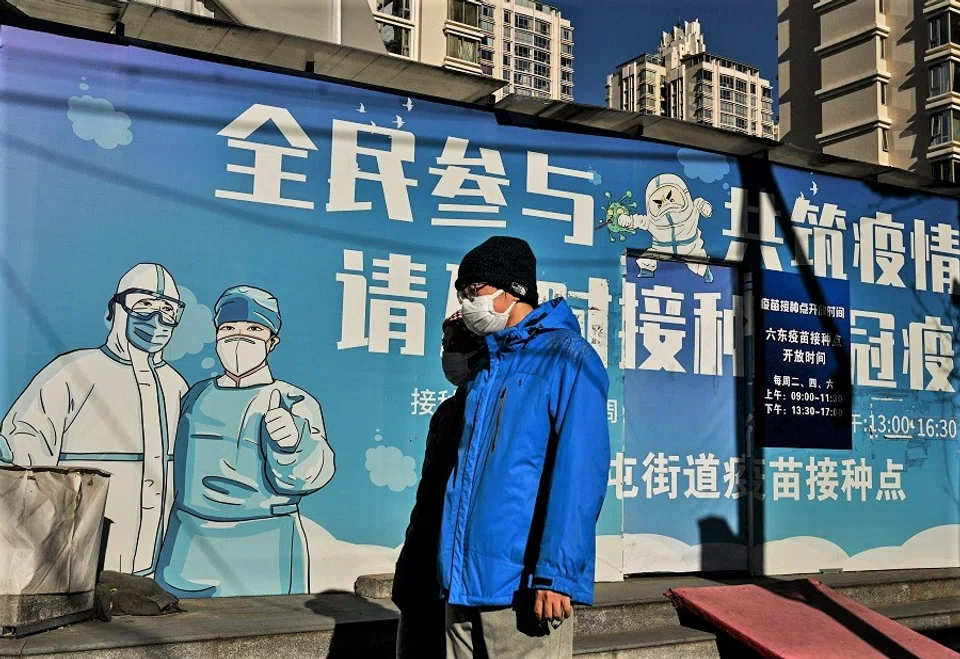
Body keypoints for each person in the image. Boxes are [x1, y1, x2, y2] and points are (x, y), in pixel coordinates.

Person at [439, 236, 610, 658]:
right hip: (463, 584)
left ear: (512, 291)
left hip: (521, 586)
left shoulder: (568, 356)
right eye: (461, 291)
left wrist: (556, 576)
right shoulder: (487, 367)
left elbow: (579, 473)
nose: (465, 302)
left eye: (473, 290)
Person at [0, 263, 188, 575]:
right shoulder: (71, 373)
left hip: (151, 565)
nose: (156, 319)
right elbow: (22, 452)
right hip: (73, 563)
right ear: (114, 311)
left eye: (168, 309)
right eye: (143, 304)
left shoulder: (175, 384)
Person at [154, 285, 335, 597]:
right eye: (229, 328)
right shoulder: (195, 396)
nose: (239, 338)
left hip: (265, 541)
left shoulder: (293, 400)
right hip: (189, 545)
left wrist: (293, 445)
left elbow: (312, 473)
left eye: (253, 328)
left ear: (272, 341)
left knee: (266, 638)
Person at [393, 312, 486, 659]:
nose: (447, 354)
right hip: (422, 563)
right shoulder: (447, 412)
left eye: (456, 345)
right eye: (445, 345)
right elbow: (429, 494)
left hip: (459, 568)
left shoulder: (490, 410)